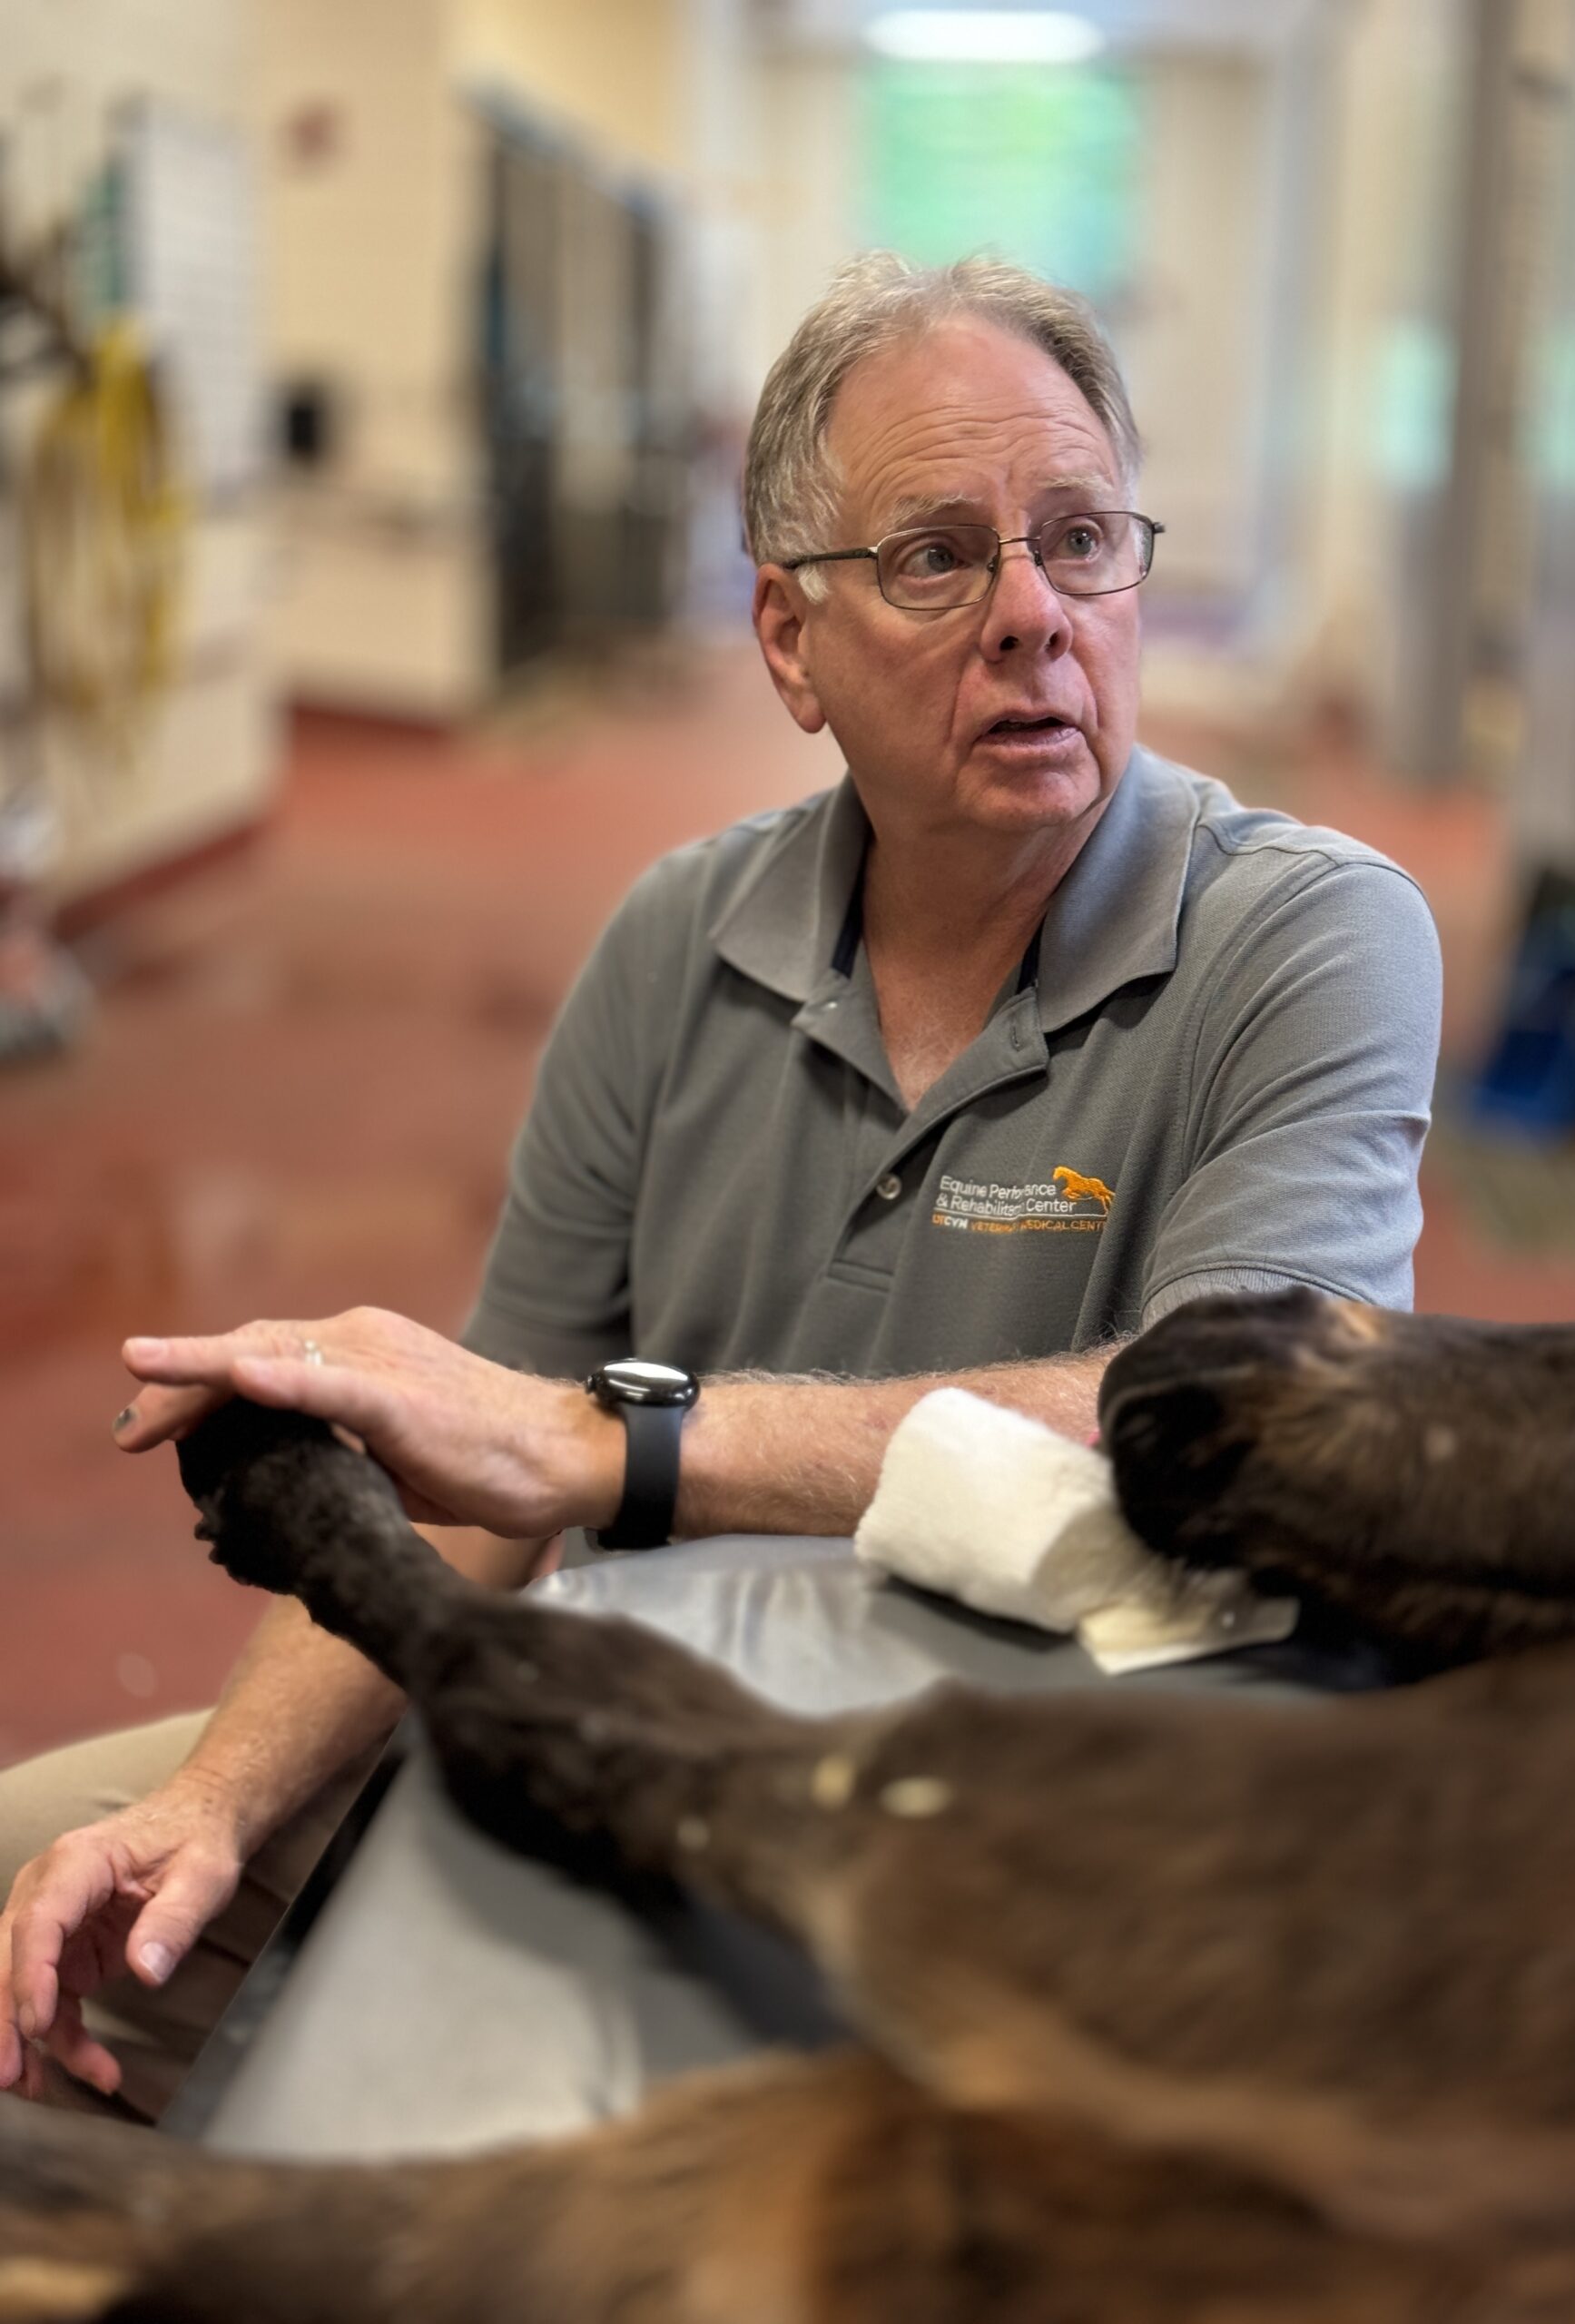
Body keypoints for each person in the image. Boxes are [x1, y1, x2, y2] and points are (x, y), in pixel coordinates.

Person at [0, 252, 1441, 2119]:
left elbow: (1228, 1420)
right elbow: (475, 1496)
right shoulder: (679, 939)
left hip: (1040, 1820)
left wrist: (620, 1445)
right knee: (46, 1887)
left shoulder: (1306, 940)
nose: (1034, 615)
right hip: (635, 1727)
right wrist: (210, 1799)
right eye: (937, 556)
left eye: (1081, 539)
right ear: (786, 641)